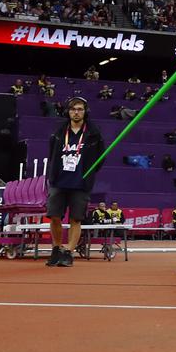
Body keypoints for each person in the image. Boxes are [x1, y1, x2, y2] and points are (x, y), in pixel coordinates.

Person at [45, 96, 106, 267]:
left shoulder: (94, 134)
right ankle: (56, 249)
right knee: (54, 217)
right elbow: (52, 155)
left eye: (79, 109)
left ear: (85, 111)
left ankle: (68, 252)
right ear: (68, 111)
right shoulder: (58, 132)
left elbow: (100, 159)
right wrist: (53, 174)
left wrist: (88, 173)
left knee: (75, 219)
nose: (76, 112)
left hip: (80, 183)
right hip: (59, 181)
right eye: (73, 109)